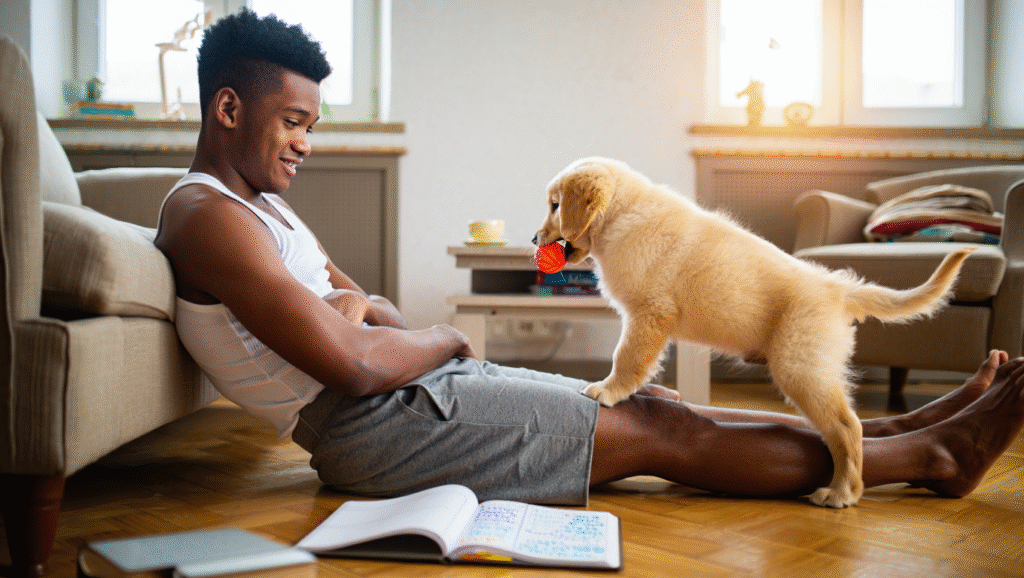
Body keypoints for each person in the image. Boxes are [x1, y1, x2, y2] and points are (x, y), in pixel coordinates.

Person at [156, 8, 1024, 507]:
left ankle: (894, 431)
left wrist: (377, 325)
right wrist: (443, 338)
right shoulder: (207, 217)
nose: (306, 144)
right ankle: (935, 459)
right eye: (295, 122)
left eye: (312, 124)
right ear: (228, 107)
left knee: (655, 394)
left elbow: (361, 306)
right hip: (378, 432)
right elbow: (351, 355)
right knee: (663, 429)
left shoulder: (260, 209)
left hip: (409, 394)